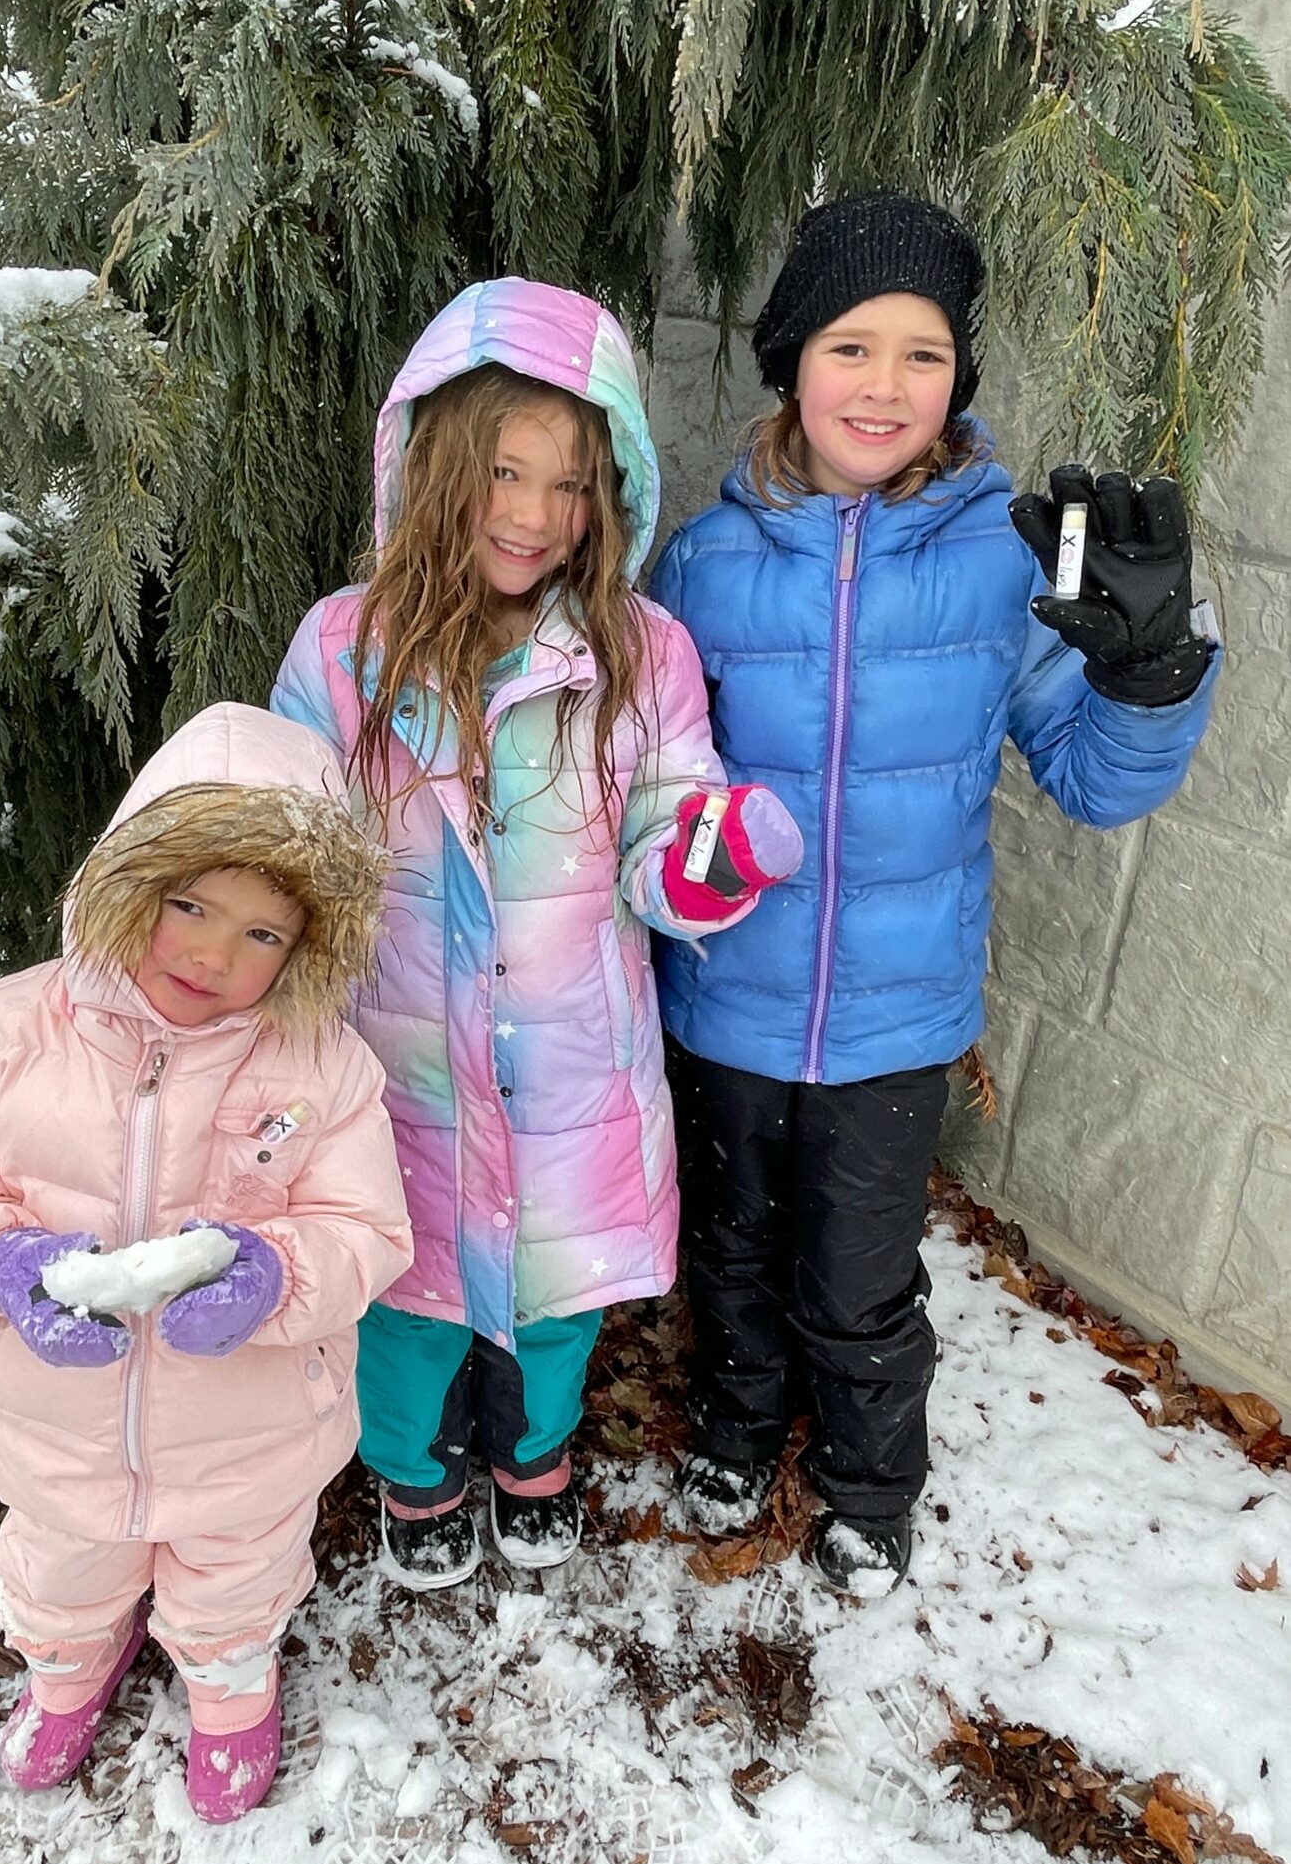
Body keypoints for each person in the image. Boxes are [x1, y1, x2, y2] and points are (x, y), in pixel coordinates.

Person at [651, 192, 1218, 1594]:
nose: (885, 384)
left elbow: (1094, 779)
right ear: (792, 360)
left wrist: (1147, 674)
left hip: (897, 1016)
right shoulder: (707, 560)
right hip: (726, 997)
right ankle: (736, 1426)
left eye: (924, 353)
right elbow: (654, 779)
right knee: (731, 1248)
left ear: (959, 376)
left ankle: (868, 1480)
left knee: (859, 1275)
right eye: (851, 346)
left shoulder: (1001, 561)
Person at [271, 276, 801, 1590]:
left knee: (556, 1293)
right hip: (401, 1066)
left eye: (571, 485)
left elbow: (664, 832)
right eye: (504, 473)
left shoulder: (641, 653)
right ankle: (414, 1466)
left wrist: (713, 858)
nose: (533, 514)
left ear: (610, 494)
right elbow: (286, 835)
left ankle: (533, 1452)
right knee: (408, 1299)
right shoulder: (344, 648)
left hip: (568, 1064)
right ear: (436, 464)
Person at [0, 704, 413, 1821]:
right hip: (56, 1426)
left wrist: (275, 1276)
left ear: (307, 947)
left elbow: (366, 1231)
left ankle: (230, 1684)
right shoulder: (0, 1035)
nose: (214, 955)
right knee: (61, 1568)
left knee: (238, 1575)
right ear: (132, 884)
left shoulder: (325, 1066)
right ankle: (69, 1668)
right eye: (189, 906)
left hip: (254, 1431)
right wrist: (3, 1271)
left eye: (263, 933)